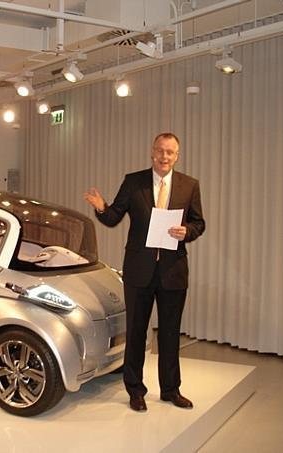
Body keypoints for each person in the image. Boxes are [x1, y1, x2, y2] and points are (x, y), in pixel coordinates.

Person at [84, 132, 205, 412]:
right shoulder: (133, 181)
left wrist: (188, 231)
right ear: (152, 152)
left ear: (177, 156)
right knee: (137, 333)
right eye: (160, 151)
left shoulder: (189, 185)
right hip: (139, 270)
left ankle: (171, 389)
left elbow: (200, 223)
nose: (164, 157)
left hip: (173, 271)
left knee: (171, 333)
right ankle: (135, 390)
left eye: (170, 152)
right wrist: (101, 208)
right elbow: (114, 216)